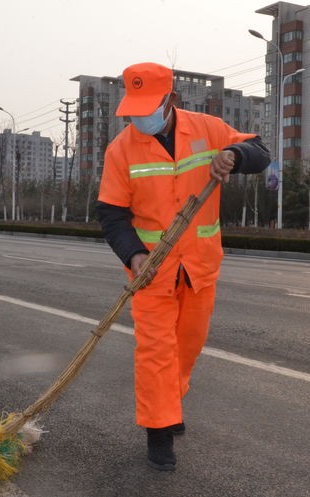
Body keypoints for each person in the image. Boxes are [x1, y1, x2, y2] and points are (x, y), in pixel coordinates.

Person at [96, 62, 271, 471]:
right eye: (133, 110)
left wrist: (233, 154)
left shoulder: (207, 129)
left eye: (148, 107)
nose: (140, 118)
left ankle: (168, 405)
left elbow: (260, 152)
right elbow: (111, 214)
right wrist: (134, 254)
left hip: (199, 266)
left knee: (186, 348)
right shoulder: (121, 149)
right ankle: (158, 433)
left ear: (170, 100)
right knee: (155, 351)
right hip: (151, 272)